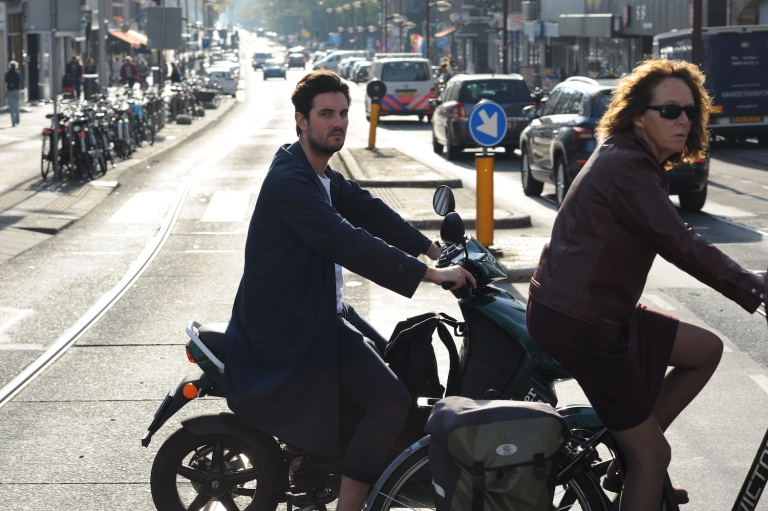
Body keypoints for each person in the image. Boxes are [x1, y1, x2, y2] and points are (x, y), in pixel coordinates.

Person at [224, 69, 474, 511]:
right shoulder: (290, 182)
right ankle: (351, 505)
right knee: (391, 402)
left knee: (395, 361)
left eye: (342, 113)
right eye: (325, 114)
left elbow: (367, 210)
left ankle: (314, 464)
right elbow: (346, 240)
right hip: (291, 326)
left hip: (319, 312)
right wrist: (428, 276)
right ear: (301, 120)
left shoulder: (317, 173)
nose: (336, 122)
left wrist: (433, 248)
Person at [525, 57, 765, 510]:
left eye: (691, 111)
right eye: (669, 110)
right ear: (638, 115)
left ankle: (628, 457)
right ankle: (639, 459)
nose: (683, 120)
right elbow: (679, 241)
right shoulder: (627, 166)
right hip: (581, 321)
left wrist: (753, 281)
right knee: (655, 456)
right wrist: (753, 288)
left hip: (594, 311)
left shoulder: (631, 155)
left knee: (704, 350)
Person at [5, 61, 22, 127]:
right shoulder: (18, 73)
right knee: (17, 106)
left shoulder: (7, 73)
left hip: (10, 91)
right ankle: (17, 120)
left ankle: (13, 121)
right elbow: (20, 81)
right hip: (16, 90)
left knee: (11, 107)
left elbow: (6, 81)